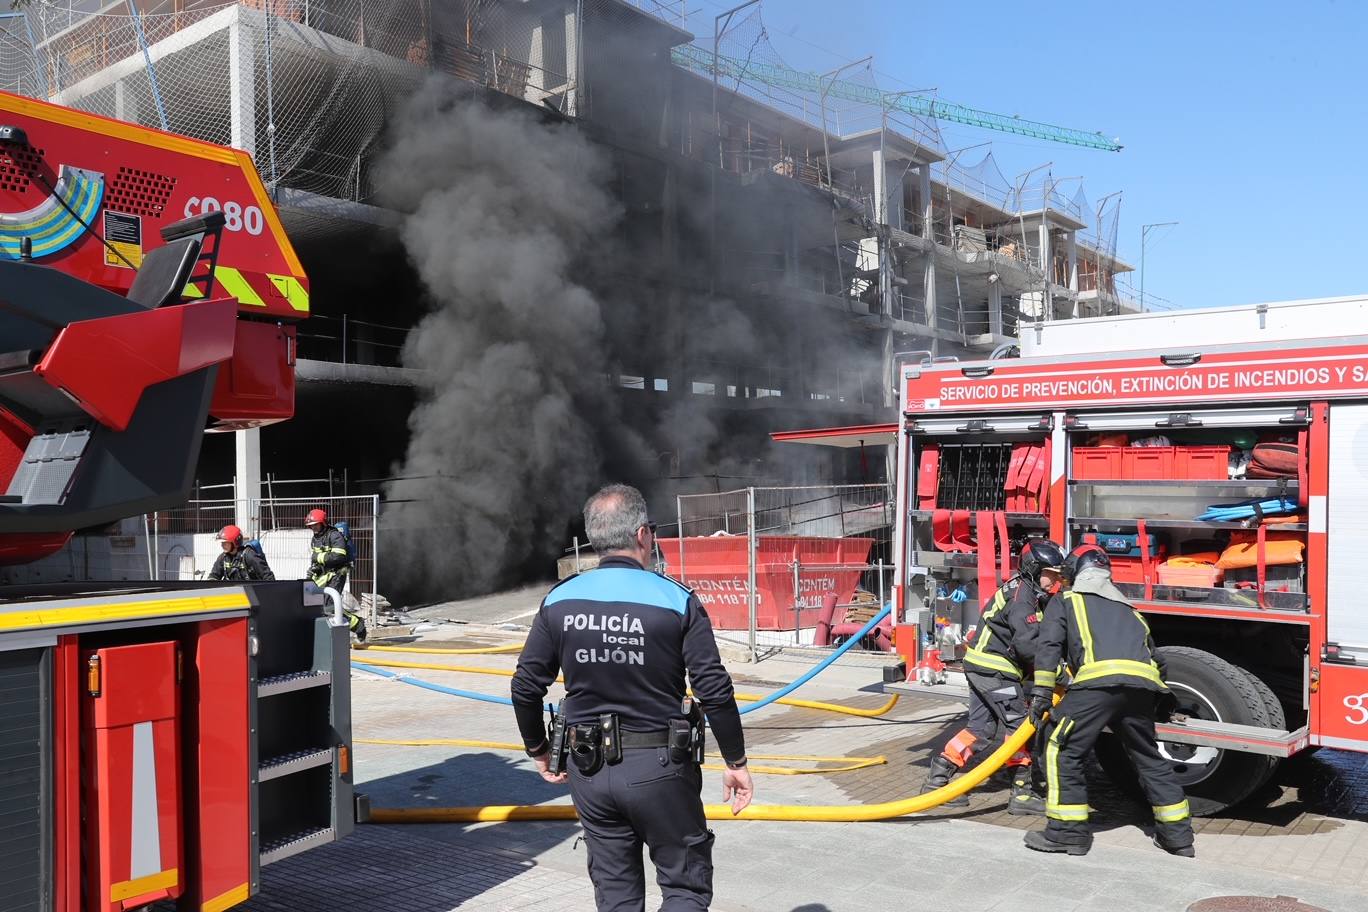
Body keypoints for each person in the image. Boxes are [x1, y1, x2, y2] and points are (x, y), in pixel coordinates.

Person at [511, 483, 754, 912]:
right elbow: (713, 689)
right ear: (643, 535)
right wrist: (736, 762)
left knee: (617, 897)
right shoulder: (676, 601)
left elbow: (525, 687)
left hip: (589, 771)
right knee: (685, 889)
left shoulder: (560, 600)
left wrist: (539, 749)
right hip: (662, 769)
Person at [1024, 544, 1195, 858]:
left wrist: (1041, 694)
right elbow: (1156, 659)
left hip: (1097, 687)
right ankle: (1178, 838)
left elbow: (1048, 647)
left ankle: (1067, 834)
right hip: (1141, 690)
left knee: (1060, 748)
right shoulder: (1129, 610)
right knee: (1148, 757)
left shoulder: (1067, 601)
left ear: (1075, 573)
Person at [921, 539, 1065, 814]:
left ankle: (937, 779)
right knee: (1021, 727)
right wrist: (1058, 673)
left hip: (982, 666)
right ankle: (1021, 794)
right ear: (1035, 568)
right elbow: (1028, 646)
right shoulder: (1024, 598)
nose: (1055, 581)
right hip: (996, 670)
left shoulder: (1024, 589)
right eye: (1052, 574)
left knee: (981, 730)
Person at [305, 508, 363, 641]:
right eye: (311, 526)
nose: (313, 528)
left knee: (330, 606)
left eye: (315, 525)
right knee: (315, 603)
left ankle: (357, 625)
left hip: (337, 574)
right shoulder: (315, 538)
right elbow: (317, 560)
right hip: (325, 574)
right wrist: (313, 571)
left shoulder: (334, 535)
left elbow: (339, 556)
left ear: (323, 523)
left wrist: (318, 557)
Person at [207, 524, 275, 582]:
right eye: (222, 543)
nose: (222, 545)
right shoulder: (223, 558)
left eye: (225, 543)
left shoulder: (249, 555)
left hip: (251, 594)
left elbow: (268, 576)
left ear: (235, 542)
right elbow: (213, 576)